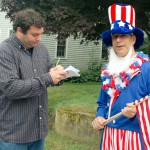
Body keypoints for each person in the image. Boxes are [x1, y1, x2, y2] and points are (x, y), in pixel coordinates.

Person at [0, 8, 67, 150]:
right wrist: (48, 78)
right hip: (14, 135)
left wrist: (59, 75)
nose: (39, 38)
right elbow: (11, 88)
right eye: (34, 35)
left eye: (41, 34)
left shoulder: (41, 48)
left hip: (38, 131)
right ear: (19, 31)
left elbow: (49, 72)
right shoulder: (5, 51)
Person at [92, 3, 150, 150]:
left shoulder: (146, 67)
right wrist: (99, 117)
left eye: (123, 35)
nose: (118, 40)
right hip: (108, 137)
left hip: (135, 138)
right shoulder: (108, 70)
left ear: (133, 39)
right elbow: (102, 103)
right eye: (115, 36)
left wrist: (138, 112)